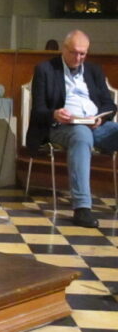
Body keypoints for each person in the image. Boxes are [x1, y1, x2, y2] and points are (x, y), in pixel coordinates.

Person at [26, 29, 118, 228]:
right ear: (64, 49)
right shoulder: (45, 70)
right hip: (61, 126)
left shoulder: (94, 70)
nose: (78, 58)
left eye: (82, 54)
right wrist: (54, 114)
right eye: (74, 52)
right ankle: (82, 208)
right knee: (82, 136)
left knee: (97, 132)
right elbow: (38, 110)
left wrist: (101, 118)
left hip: (95, 125)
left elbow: (109, 105)